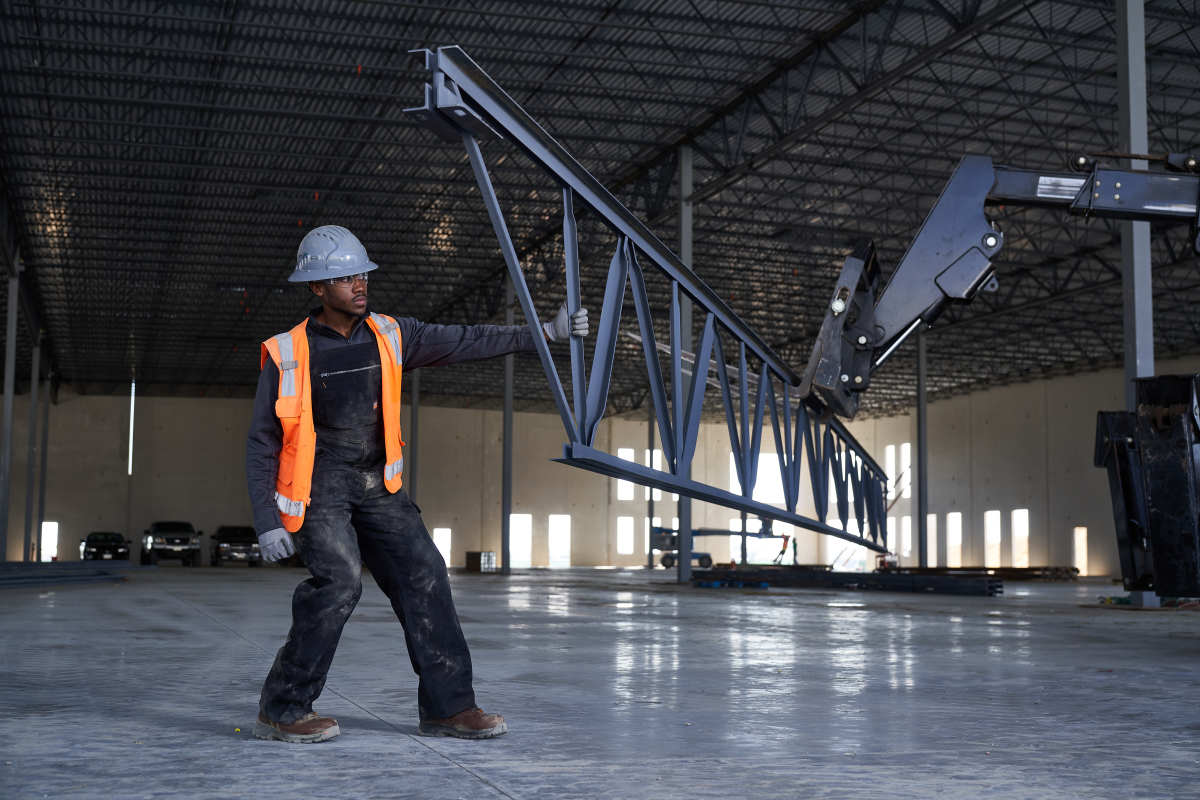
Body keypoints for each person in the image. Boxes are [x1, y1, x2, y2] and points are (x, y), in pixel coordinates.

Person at [246, 225, 588, 743]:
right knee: (339, 583)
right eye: (345, 278)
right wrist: (267, 520)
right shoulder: (287, 351)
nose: (359, 284)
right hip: (320, 488)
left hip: (379, 484)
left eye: (362, 275)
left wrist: (545, 332)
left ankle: (449, 708)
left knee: (426, 573)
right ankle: (283, 707)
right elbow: (262, 441)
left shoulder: (390, 333)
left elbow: (468, 340)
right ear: (317, 287)